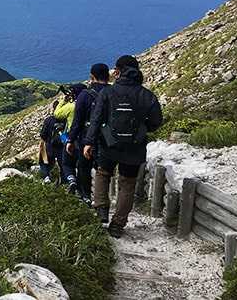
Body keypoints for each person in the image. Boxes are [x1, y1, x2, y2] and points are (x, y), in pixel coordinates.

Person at [83, 55, 163, 238]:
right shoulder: (146, 95)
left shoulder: (107, 92)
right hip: (135, 147)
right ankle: (118, 225)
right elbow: (157, 121)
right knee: (127, 184)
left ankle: (101, 211)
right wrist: (142, 129)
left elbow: (96, 120)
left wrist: (89, 142)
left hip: (108, 144)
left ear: (118, 71)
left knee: (103, 174)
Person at [64, 64, 111, 203]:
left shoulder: (85, 95)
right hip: (109, 138)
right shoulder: (114, 92)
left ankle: (85, 197)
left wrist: (70, 140)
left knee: (84, 167)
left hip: (87, 137)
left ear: (92, 76)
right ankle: (103, 200)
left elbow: (77, 122)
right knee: (104, 169)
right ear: (108, 76)